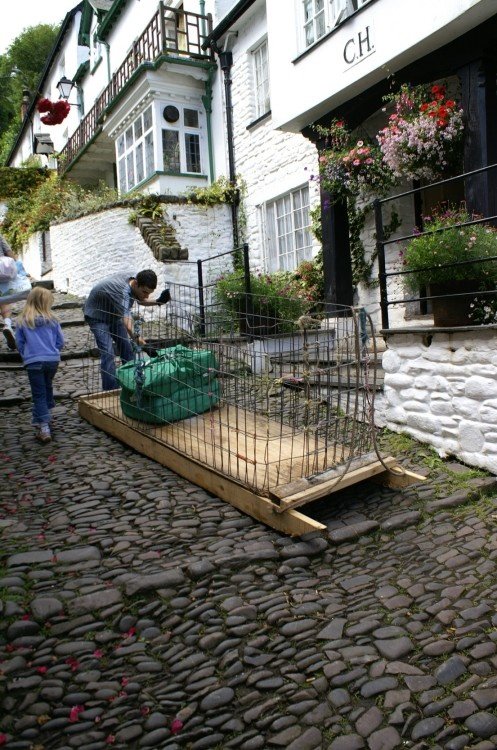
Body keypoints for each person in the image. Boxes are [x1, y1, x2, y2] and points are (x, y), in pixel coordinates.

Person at [83, 269, 165, 391]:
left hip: (113, 314)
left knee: (126, 348)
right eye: (144, 292)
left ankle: (132, 383)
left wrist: (159, 301)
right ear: (136, 284)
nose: (146, 296)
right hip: (97, 316)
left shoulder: (134, 280)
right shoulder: (123, 292)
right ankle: (111, 391)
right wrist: (145, 345)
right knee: (108, 352)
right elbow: (128, 325)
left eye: (149, 293)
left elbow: (141, 300)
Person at [15, 287, 64, 443]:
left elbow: (19, 343)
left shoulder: (23, 321)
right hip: (52, 361)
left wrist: (27, 356)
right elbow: (60, 341)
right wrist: (53, 351)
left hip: (34, 362)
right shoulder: (53, 320)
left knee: (39, 394)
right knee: (47, 386)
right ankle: (47, 415)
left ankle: (44, 428)